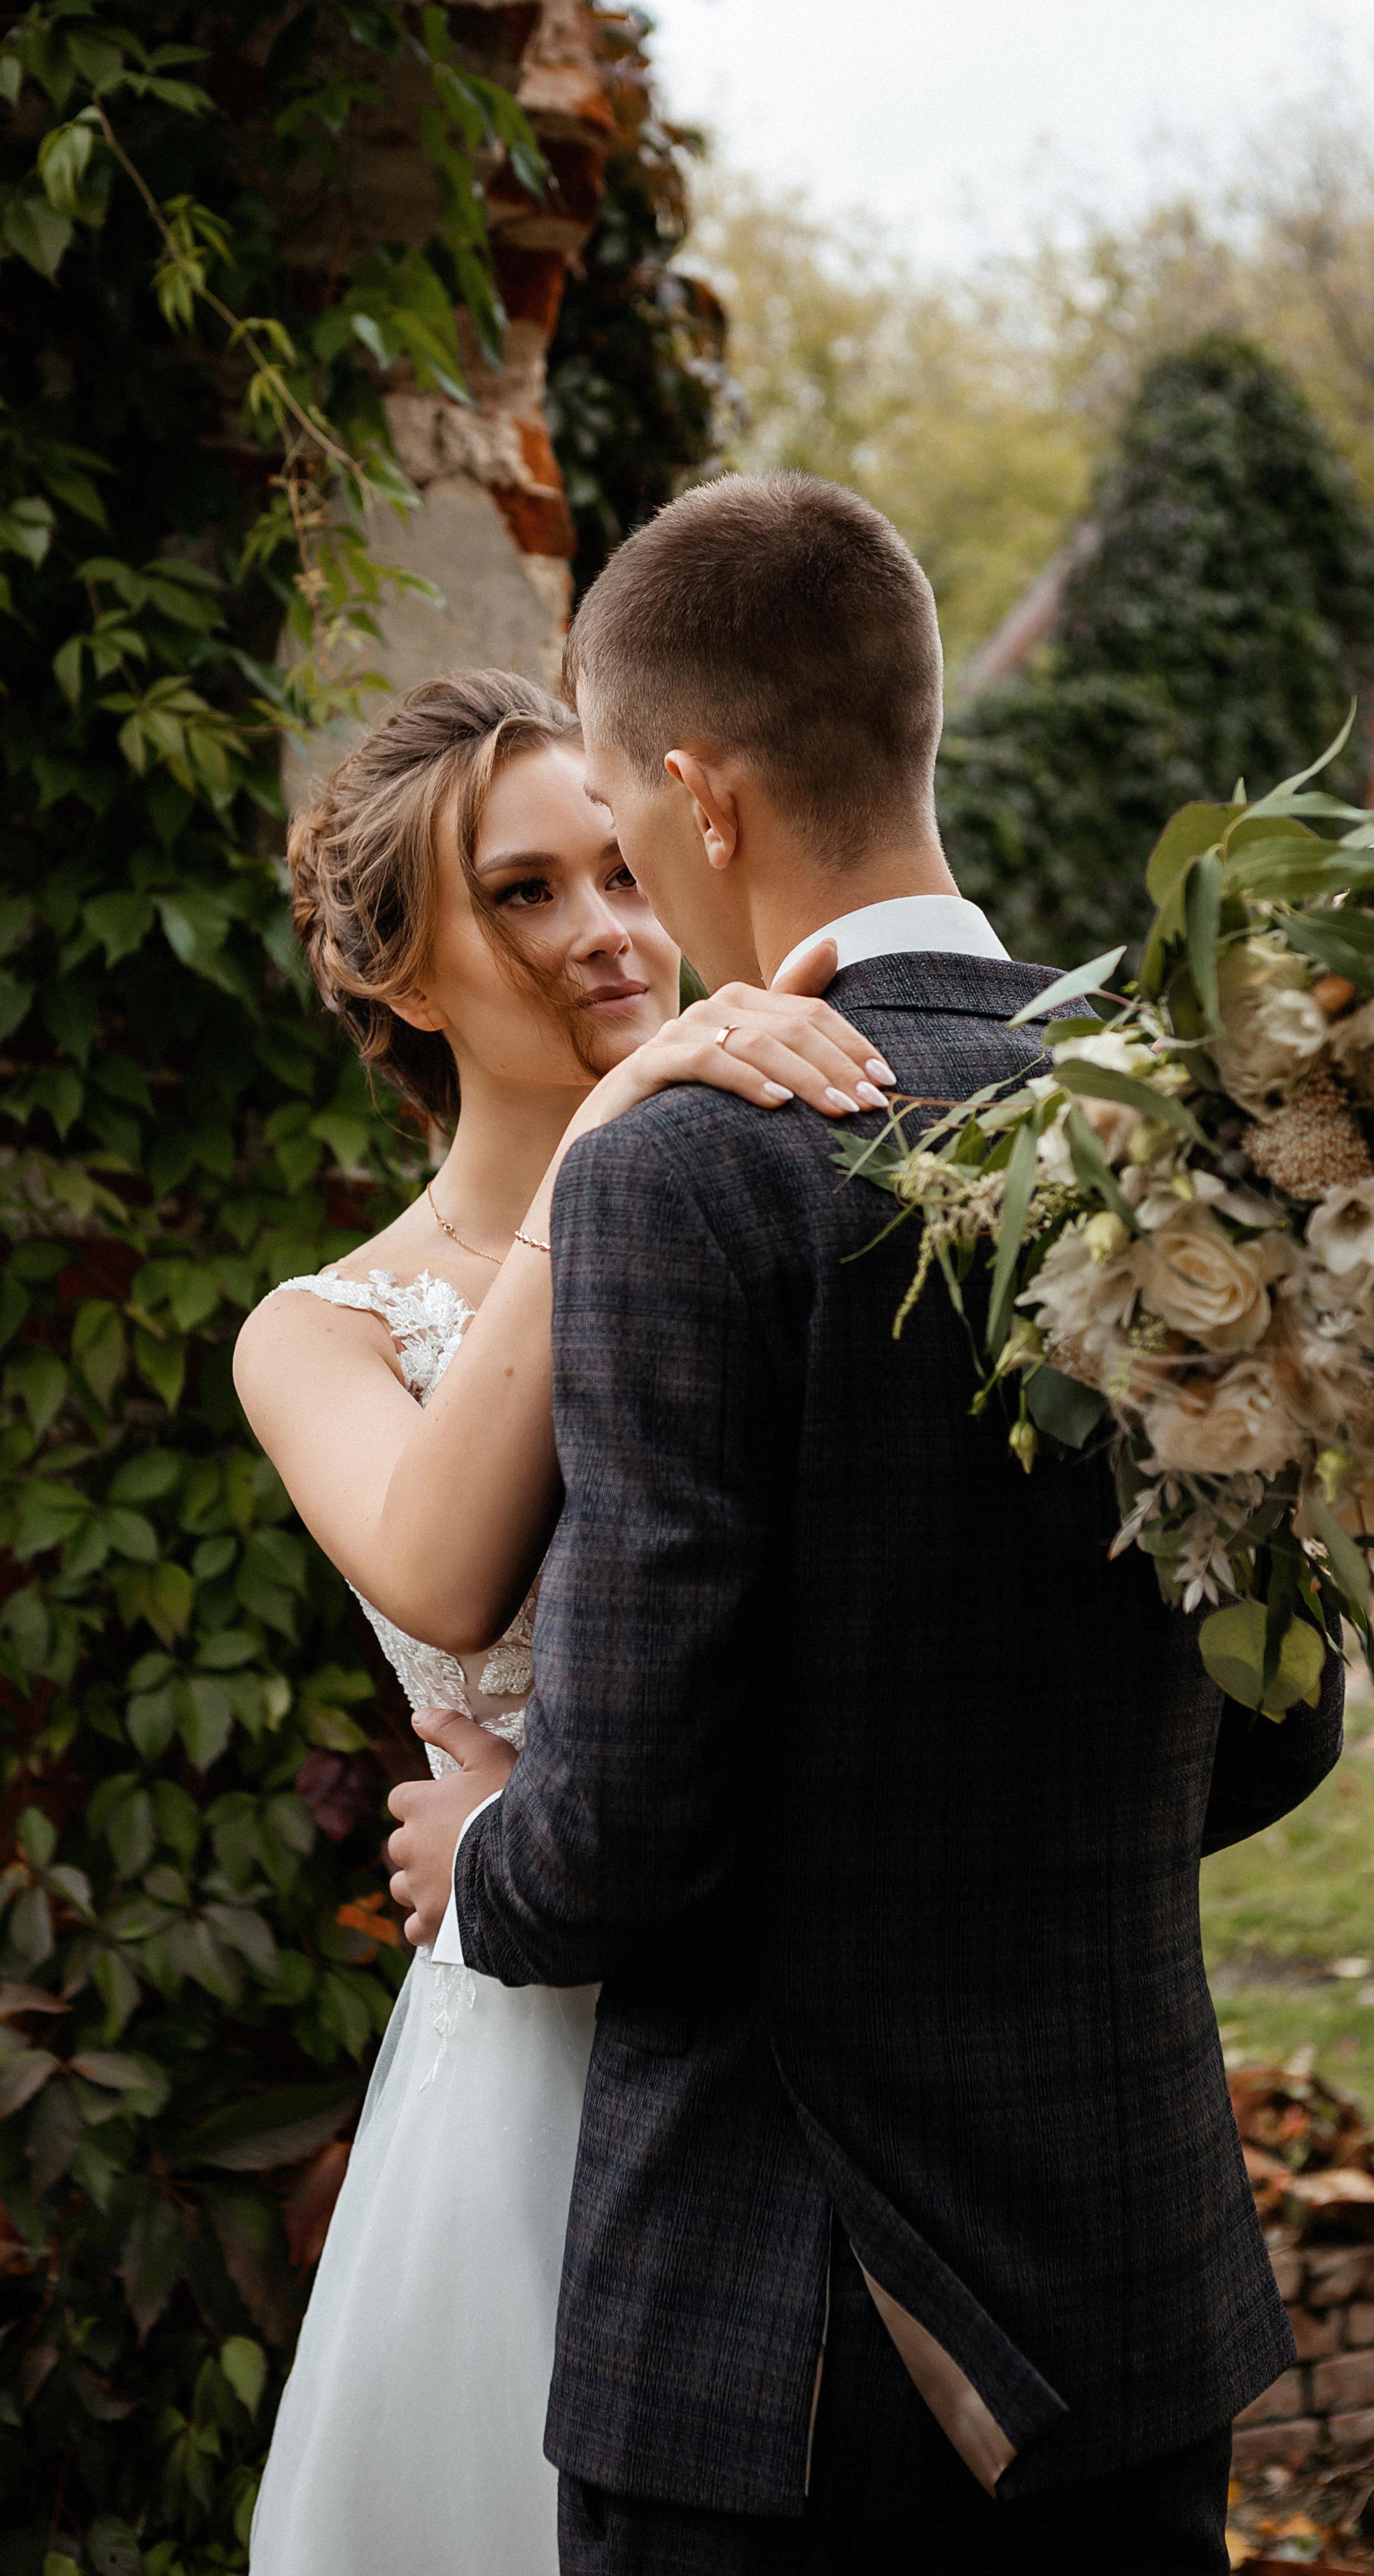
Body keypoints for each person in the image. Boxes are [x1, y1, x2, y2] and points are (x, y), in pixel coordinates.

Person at [386, 474, 1346, 2576]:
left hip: (778, 2336)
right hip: (1130, 2275)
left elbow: (628, 1822)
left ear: (699, 799)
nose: (631, 892)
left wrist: (490, 1863)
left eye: (629, 835)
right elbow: (1285, 1728)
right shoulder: (1197, 1118)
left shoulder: (689, 1173)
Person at [234, 668, 896, 2576]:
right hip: (525, 2076)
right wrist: (613, 1140)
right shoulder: (323, 1331)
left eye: (620, 868)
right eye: (524, 894)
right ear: (402, 980)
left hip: (815, 2027)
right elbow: (440, 1571)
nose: (608, 929)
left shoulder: (788, 1186)